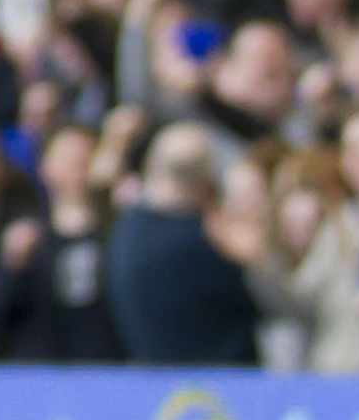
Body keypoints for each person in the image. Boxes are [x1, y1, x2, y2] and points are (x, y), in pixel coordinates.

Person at [107, 125, 261, 365]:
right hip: (218, 389)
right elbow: (264, 298)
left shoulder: (125, 229)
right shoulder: (198, 244)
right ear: (204, 178)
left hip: (159, 380)